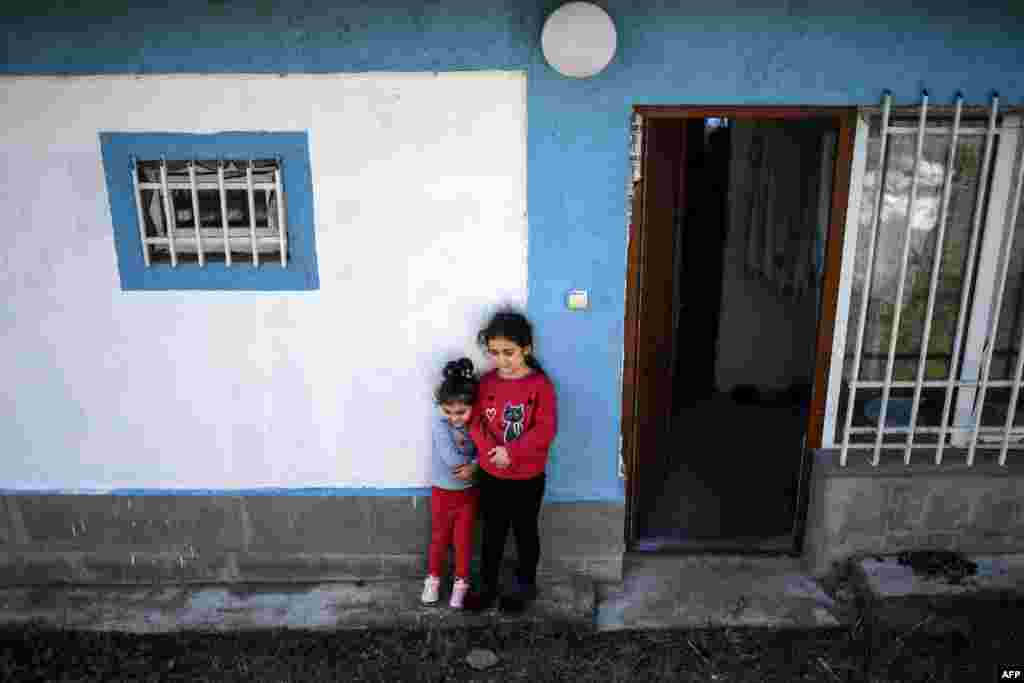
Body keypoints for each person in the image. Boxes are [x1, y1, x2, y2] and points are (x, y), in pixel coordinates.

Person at [464, 308, 557, 613]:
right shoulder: (486, 383)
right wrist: (492, 451)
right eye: (494, 353)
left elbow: (545, 429)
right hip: (491, 474)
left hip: (527, 477)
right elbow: (475, 421)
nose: (501, 360)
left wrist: (512, 452)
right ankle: (486, 585)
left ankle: (524, 586)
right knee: (492, 533)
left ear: (526, 349)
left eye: (509, 352)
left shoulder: (540, 386)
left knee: (525, 532)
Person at [422, 358, 481, 609]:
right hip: (442, 493)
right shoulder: (439, 425)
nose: (454, 418)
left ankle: (461, 583)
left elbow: (486, 449)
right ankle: (433, 579)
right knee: (439, 538)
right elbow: (451, 459)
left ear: (473, 406)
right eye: (448, 411)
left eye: (461, 412)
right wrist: (475, 464)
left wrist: (475, 467)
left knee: (463, 542)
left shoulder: (477, 423)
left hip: (467, 494)